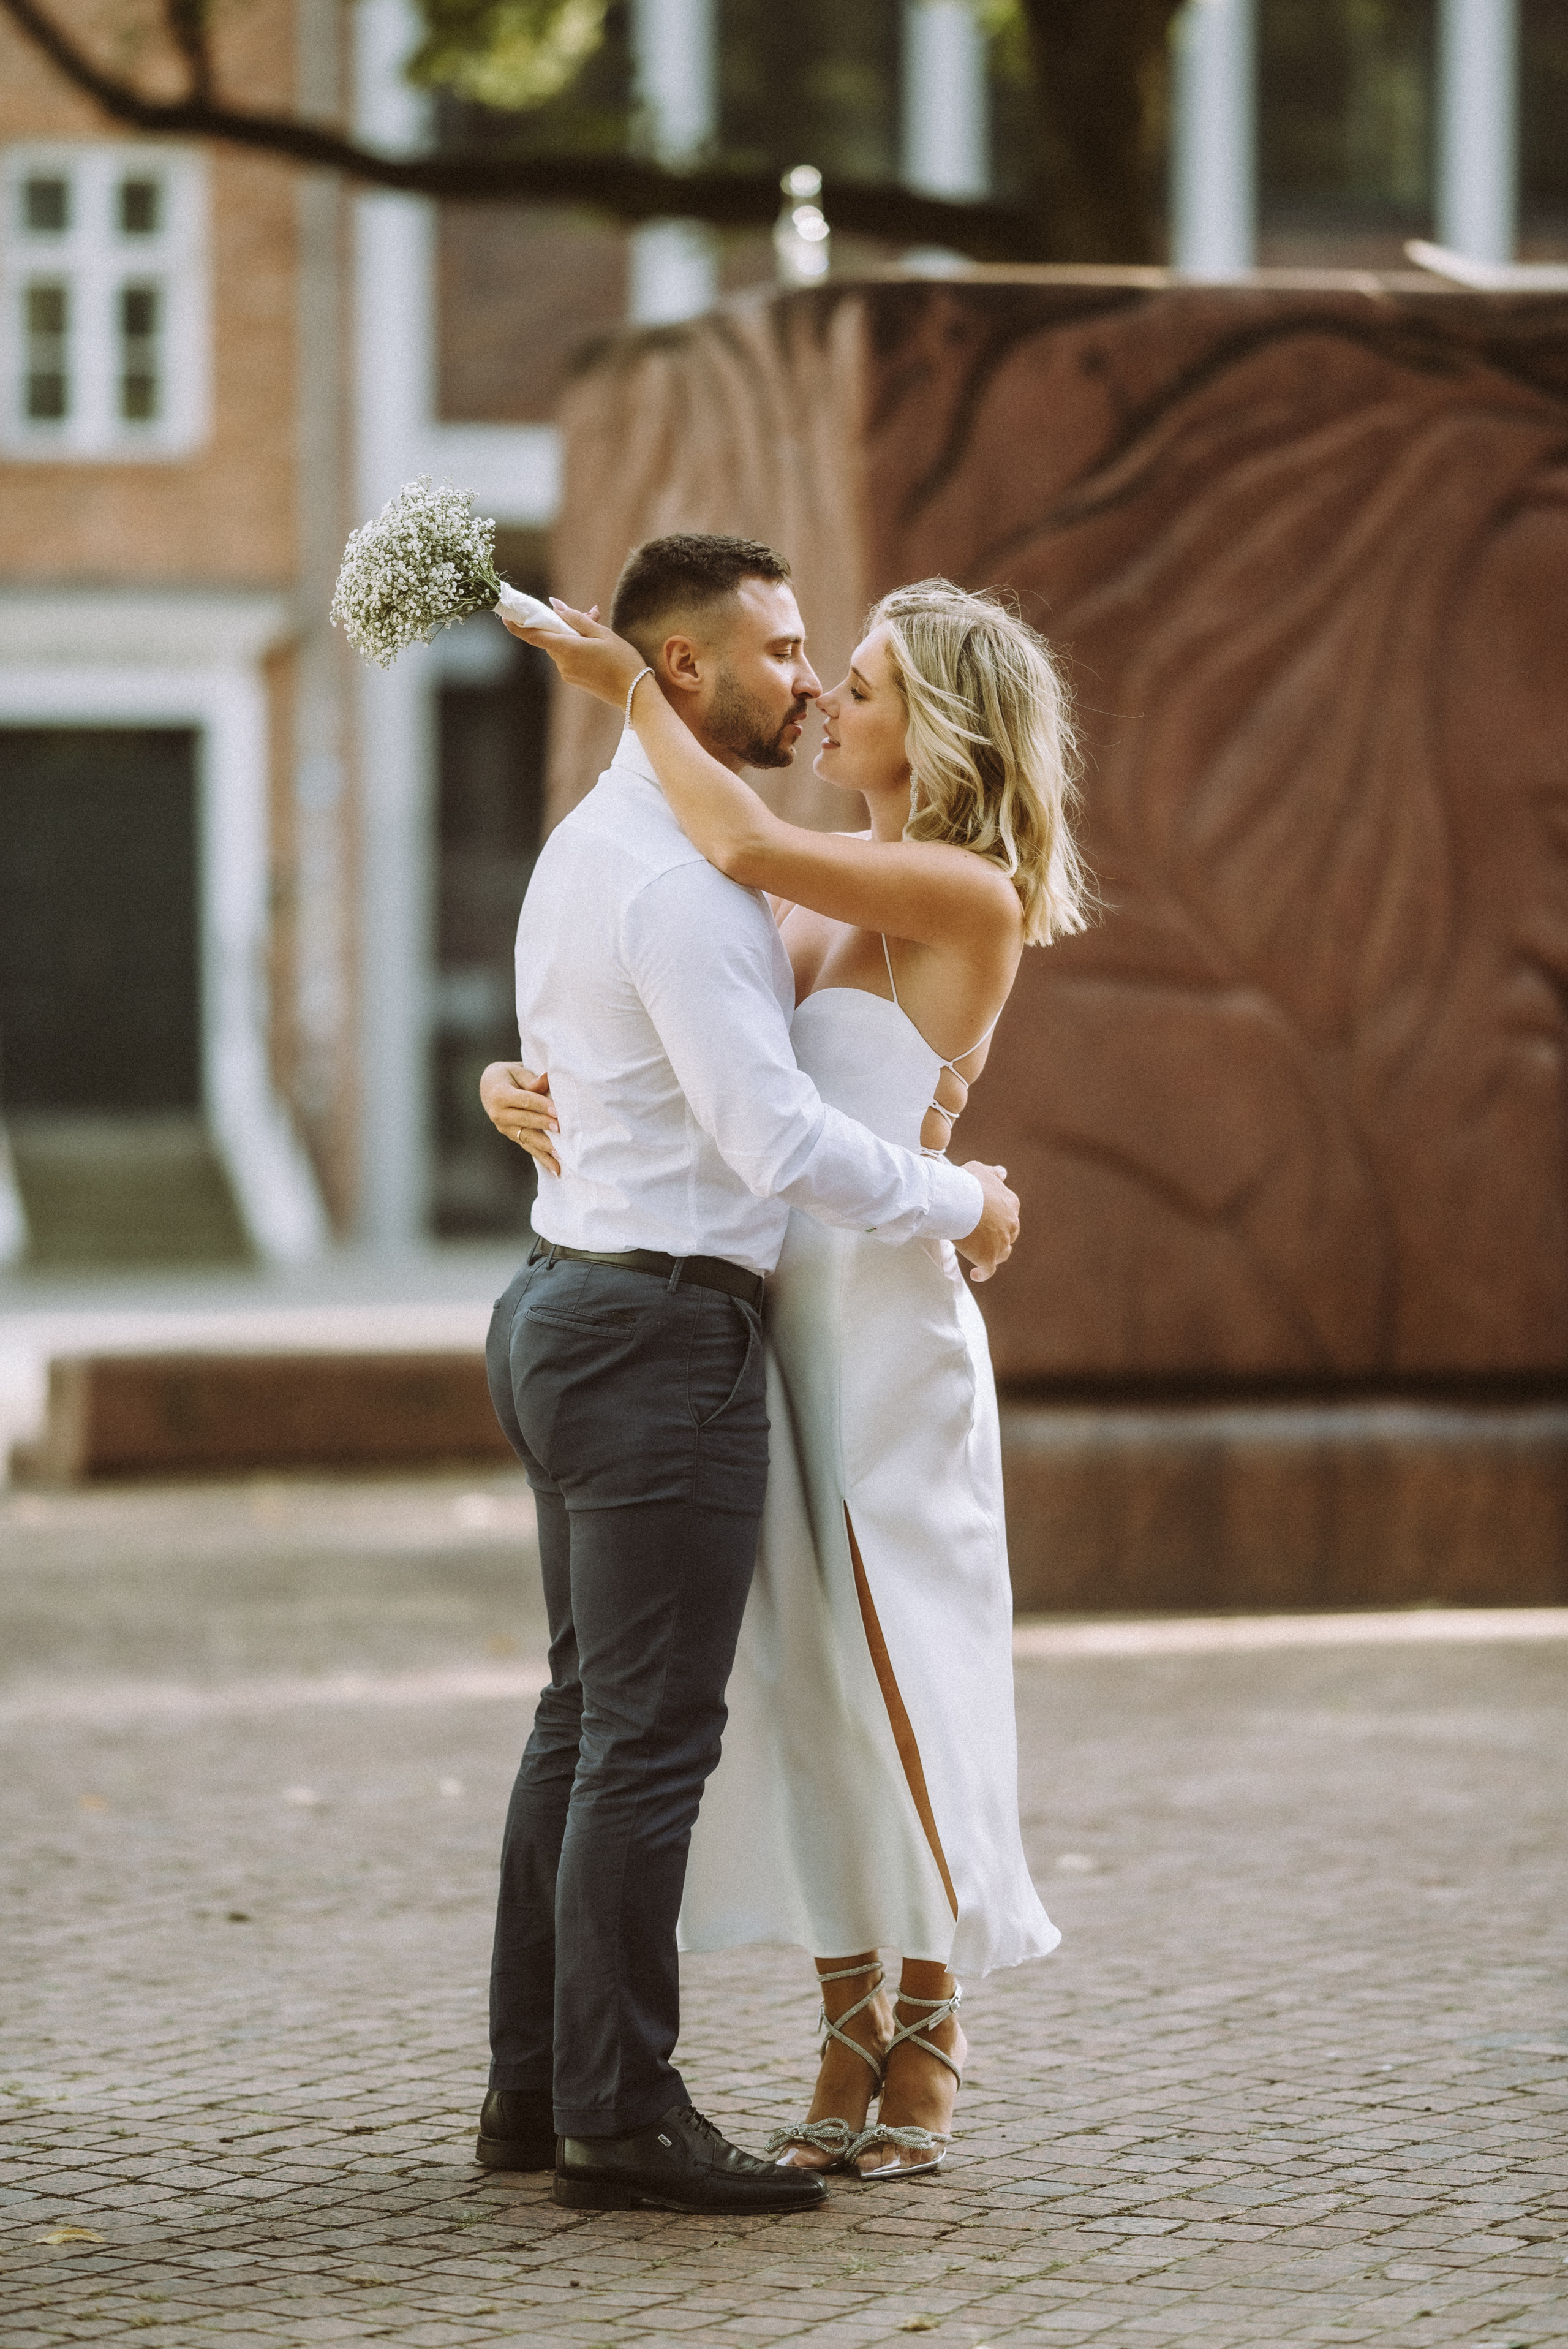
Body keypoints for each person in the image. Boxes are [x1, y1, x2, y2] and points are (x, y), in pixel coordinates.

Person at [489, 563, 1090, 2181]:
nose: (827, 695)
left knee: (912, 1663)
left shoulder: (959, 892)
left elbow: (741, 842)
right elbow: (663, 1025)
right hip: (760, 1317)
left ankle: (933, 2021)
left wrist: (625, 685)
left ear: (941, 725)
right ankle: (843, 2011)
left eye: (866, 682)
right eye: (822, 666)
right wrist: (521, 1079)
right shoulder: (797, 896)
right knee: (803, 1672)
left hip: (886, 1330)